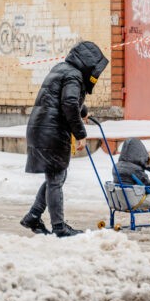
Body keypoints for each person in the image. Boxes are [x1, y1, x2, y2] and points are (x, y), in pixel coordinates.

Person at [20, 40, 109, 237]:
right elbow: (69, 103)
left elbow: (62, 98)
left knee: (56, 176)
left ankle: (33, 216)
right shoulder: (74, 75)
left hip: (41, 127)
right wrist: (80, 134)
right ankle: (59, 227)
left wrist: (83, 111)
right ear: (88, 63)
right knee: (56, 178)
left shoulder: (63, 69)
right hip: (50, 130)